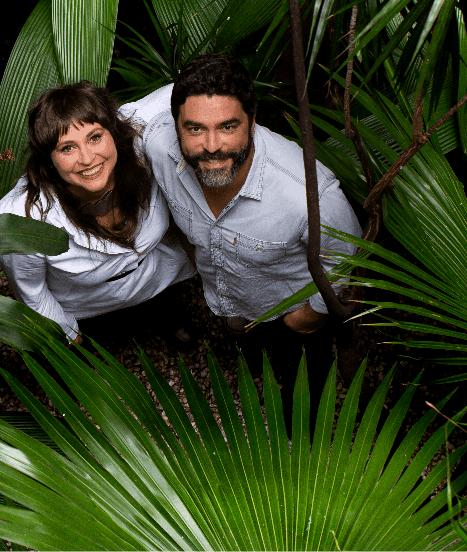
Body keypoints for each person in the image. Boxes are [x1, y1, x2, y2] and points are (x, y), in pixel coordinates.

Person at [123, 54, 360, 416]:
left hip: (291, 309)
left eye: (228, 126)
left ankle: (302, 425)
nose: (212, 145)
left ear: (252, 120)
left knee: (303, 380)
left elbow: (347, 256)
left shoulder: (309, 196)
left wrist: (308, 315)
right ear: (176, 125)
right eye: (195, 129)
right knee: (255, 353)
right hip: (230, 302)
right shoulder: (159, 151)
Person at [0, 82, 195, 346]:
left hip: (160, 278)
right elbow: (31, 292)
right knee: (111, 340)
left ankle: (169, 320)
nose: (87, 158)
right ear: (48, 159)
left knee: (170, 313)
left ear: (114, 131)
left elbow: (197, 87)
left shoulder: (141, 131)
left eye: (95, 137)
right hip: (92, 306)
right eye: (67, 148)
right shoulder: (22, 221)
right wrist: (67, 332)